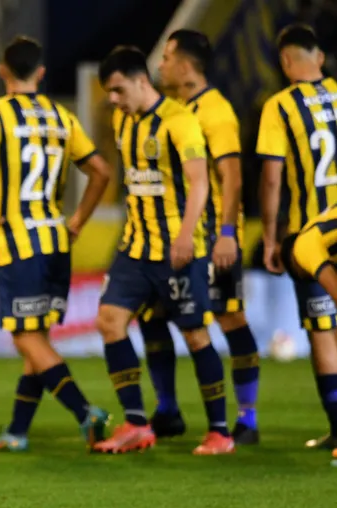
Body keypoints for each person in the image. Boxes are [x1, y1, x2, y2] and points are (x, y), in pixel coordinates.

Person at [0, 36, 112, 452]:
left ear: (2, 70)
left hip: (19, 243)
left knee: (25, 338)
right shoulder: (62, 116)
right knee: (37, 339)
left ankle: (85, 411)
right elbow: (101, 171)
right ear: (41, 73)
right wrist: (77, 221)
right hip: (56, 241)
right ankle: (17, 431)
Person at [93, 46, 233, 455]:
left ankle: (220, 432)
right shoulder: (122, 120)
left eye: (119, 90)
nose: (114, 100)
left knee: (195, 334)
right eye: (109, 93)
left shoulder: (179, 120)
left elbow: (200, 182)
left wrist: (187, 235)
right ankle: (136, 423)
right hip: (136, 247)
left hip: (179, 246)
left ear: (141, 81)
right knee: (109, 321)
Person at [140, 29, 261, 445]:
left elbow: (232, 177)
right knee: (153, 315)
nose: (161, 65)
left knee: (230, 318)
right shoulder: (173, 109)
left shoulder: (216, 112)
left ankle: (247, 418)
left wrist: (226, 234)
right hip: (174, 238)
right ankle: (167, 410)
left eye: (167, 57)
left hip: (213, 239)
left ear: (186, 65)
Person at [257, 24, 337, 450]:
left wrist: (271, 239)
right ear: (319, 58)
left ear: (285, 61)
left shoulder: (280, 106)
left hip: (312, 236)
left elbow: (272, 178)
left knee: (323, 329)